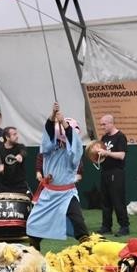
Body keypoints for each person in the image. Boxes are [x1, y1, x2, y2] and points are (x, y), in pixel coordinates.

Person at [26, 102, 91, 251]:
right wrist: (52, 116)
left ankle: (87, 250)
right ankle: (33, 251)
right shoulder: (49, 147)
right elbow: (47, 134)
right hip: (48, 193)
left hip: (67, 194)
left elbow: (74, 144)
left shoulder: (74, 152)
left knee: (78, 221)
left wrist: (63, 123)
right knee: (33, 224)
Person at [95, 114, 130, 237]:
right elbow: (102, 155)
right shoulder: (104, 137)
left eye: (104, 124)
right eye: (101, 125)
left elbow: (121, 155)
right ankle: (106, 226)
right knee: (105, 201)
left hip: (116, 172)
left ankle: (124, 226)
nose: (102, 127)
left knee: (117, 200)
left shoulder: (120, 137)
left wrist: (106, 152)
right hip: (105, 171)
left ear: (111, 123)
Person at [0, 126, 30, 197]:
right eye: (14, 134)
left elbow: (24, 152)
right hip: (3, 186)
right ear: (7, 137)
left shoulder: (20, 147)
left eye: (16, 134)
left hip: (20, 186)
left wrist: (20, 155)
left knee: (31, 204)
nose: (17, 136)